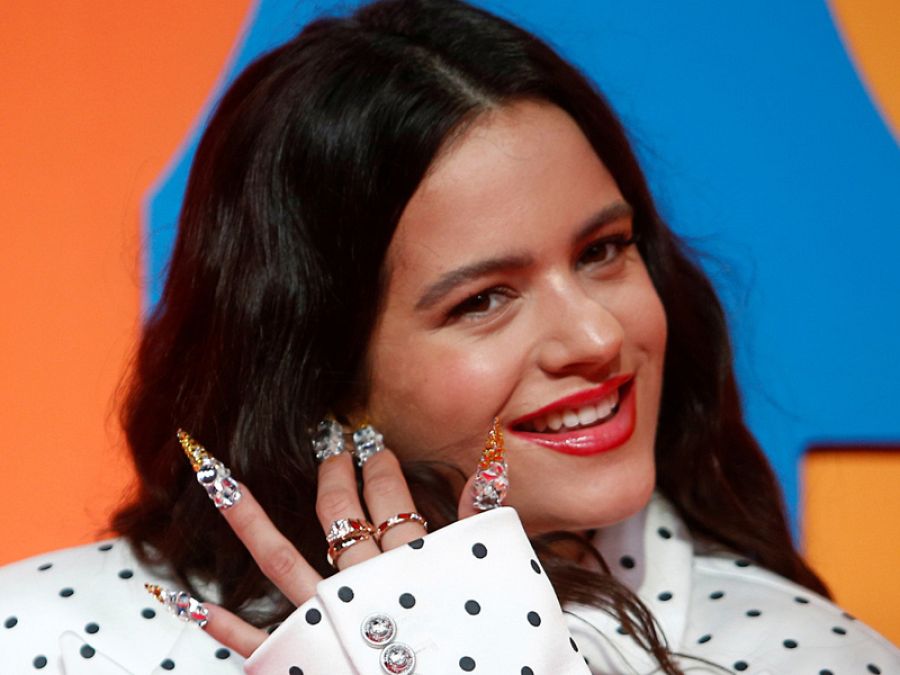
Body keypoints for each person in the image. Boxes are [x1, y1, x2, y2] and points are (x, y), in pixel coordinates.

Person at [0, 0, 897, 673]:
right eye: (484, 299)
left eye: (605, 251)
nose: (595, 334)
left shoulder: (806, 654)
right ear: (323, 372)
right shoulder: (52, 635)